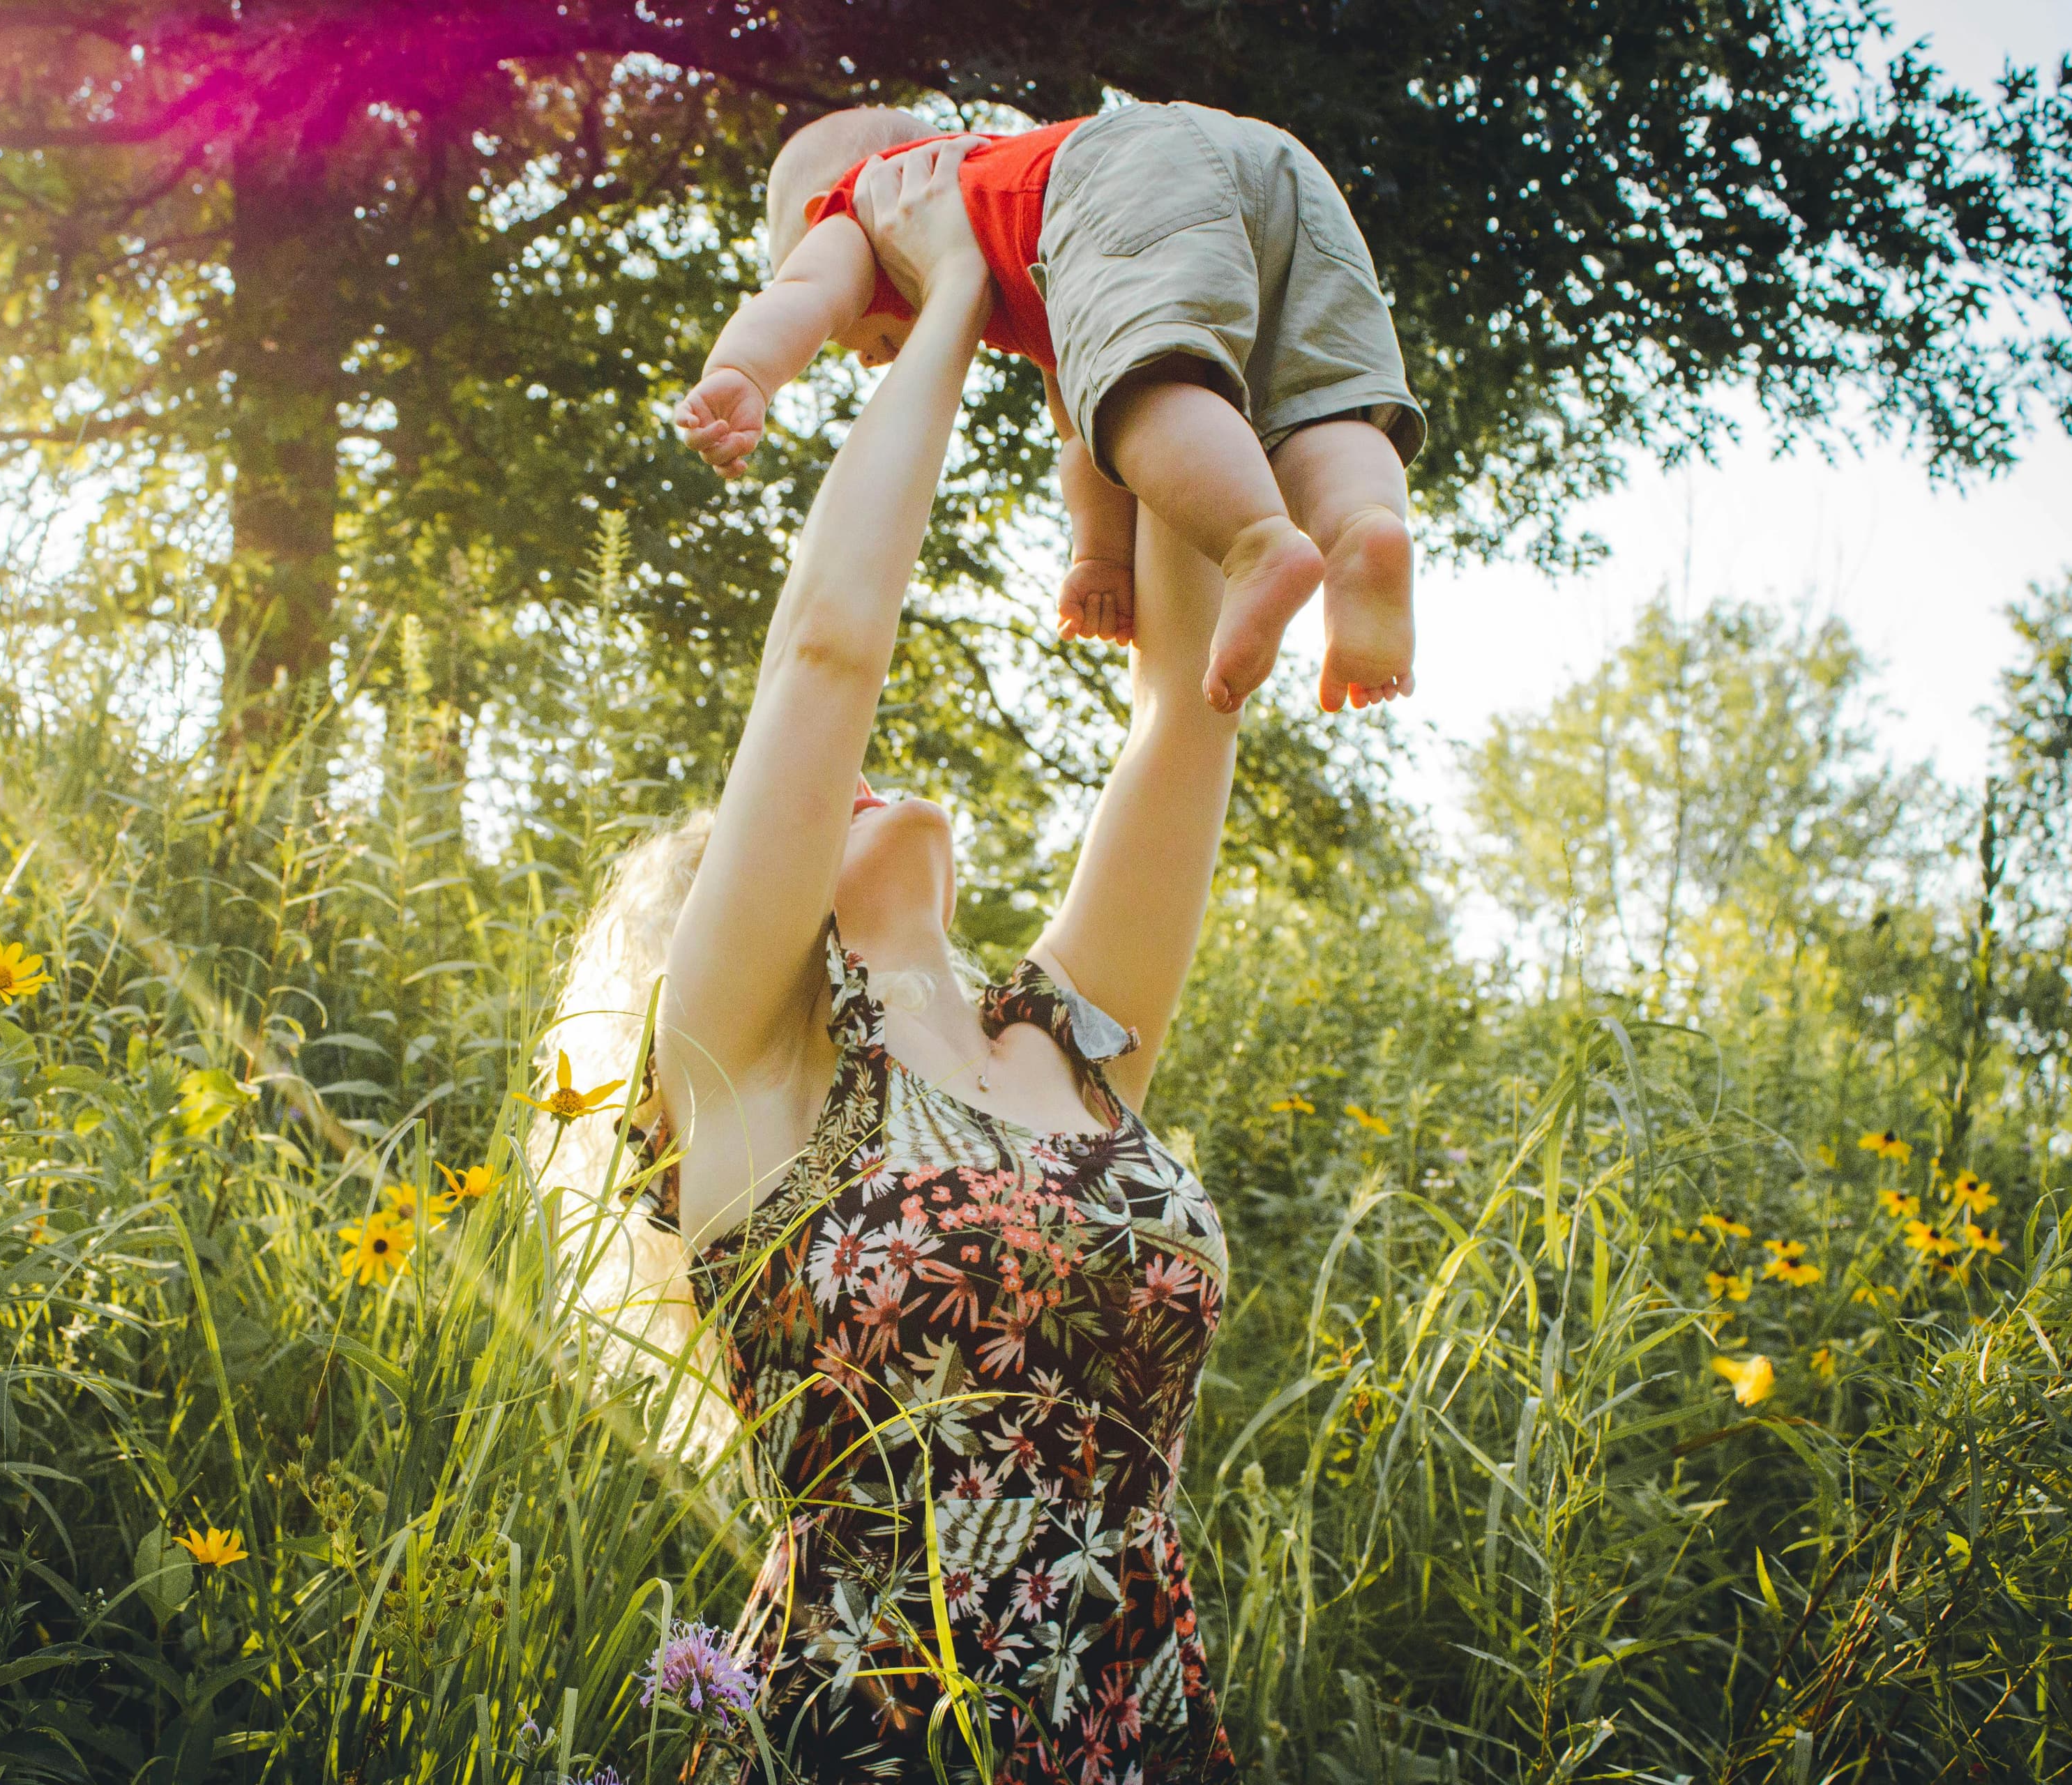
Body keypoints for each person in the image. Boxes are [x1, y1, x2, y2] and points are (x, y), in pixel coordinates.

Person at [563, 142, 1240, 1781]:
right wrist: (941, 297)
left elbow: (1189, 704)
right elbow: (827, 644)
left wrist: (1106, 304)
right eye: (803, 814)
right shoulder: (752, 1068)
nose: (847, 778)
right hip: (869, 1737)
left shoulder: (1067, 1047)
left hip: (1142, 1738)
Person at [672, 100, 1426, 720]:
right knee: (1314, 400)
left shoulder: (871, 204)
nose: (868, 355)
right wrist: (1100, 558)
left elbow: (801, 295)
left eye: (853, 341)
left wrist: (743, 371)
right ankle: (1361, 530)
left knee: (1144, 396)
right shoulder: (1035, 245)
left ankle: (1259, 542)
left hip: (1125, 168)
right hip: (1273, 164)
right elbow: (1084, 435)